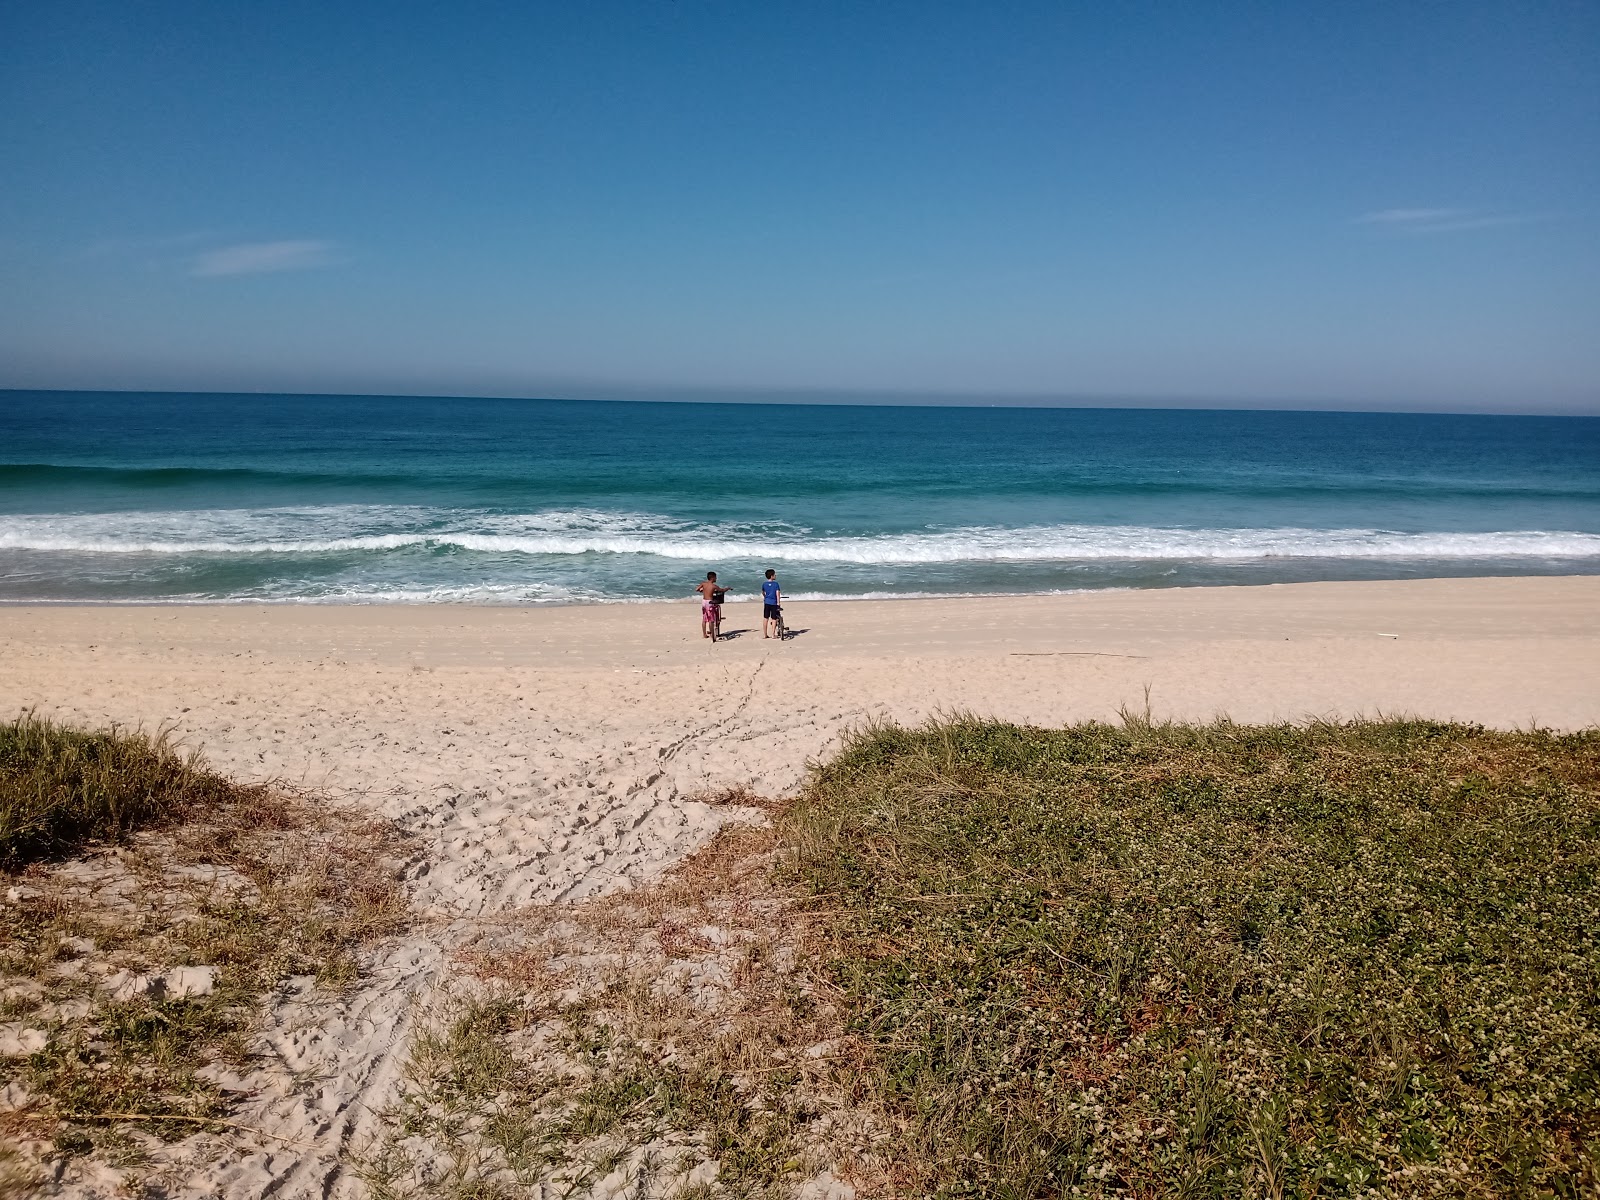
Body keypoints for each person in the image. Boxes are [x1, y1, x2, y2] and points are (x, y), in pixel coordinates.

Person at [693, 571, 727, 641]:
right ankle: (712, 634)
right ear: (712, 578)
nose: (716, 579)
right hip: (710, 602)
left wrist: (702, 590)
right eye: (715, 577)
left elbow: (696, 589)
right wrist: (728, 588)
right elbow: (722, 590)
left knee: (704, 618)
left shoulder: (704, 584)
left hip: (704, 602)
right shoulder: (714, 586)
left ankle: (704, 634)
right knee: (711, 619)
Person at [761, 568, 782, 638]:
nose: (775, 575)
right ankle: (773, 634)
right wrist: (778, 603)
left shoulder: (764, 584)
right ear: (771, 576)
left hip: (767, 602)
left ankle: (765, 634)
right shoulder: (776, 584)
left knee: (765, 618)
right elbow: (777, 594)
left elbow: (763, 592)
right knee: (774, 618)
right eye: (774, 574)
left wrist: (766, 597)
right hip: (773, 603)